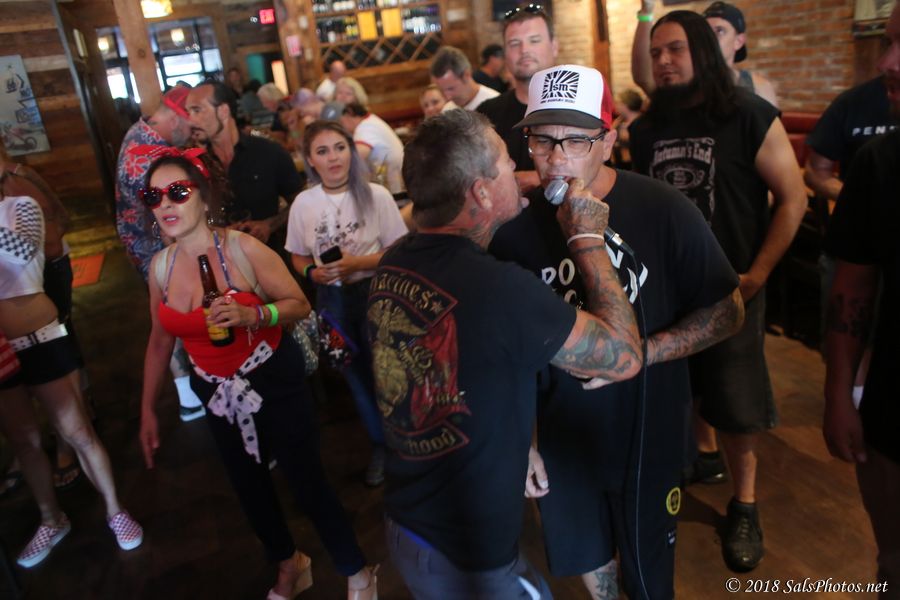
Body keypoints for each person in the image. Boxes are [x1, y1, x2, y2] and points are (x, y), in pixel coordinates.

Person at [490, 64, 743, 600]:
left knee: (649, 576)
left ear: (607, 141)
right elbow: (507, 353)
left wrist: (643, 352)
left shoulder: (662, 209)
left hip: (647, 427)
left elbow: (728, 311)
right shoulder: (513, 229)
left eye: (576, 140)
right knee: (589, 559)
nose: (557, 157)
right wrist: (523, 441)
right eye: (542, 140)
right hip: (559, 437)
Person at [368, 108, 642, 598]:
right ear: (480, 192)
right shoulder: (498, 289)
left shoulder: (396, 261)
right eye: (504, 162)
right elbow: (623, 355)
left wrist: (519, 446)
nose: (519, 168)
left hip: (410, 524)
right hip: (467, 557)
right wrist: (587, 240)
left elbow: (463, 372)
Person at [137, 149, 378, 600]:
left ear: (203, 197)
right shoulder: (161, 267)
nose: (165, 203)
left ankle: (357, 570)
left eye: (177, 192)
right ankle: (290, 564)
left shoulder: (241, 249)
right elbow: (159, 340)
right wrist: (147, 409)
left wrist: (256, 315)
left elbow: (299, 304)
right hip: (214, 390)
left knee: (306, 481)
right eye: (154, 196)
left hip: (270, 377)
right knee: (249, 488)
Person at [629, 10, 807, 572]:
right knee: (683, 388)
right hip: (669, 289)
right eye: (656, 52)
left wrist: (757, 275)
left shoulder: (749, 115)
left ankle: (745, 505)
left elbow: (794, 198)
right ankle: (701, 461)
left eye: (675, 49)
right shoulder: (647, 130)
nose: (663, 61)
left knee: (736, 400)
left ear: (703, 50)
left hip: (733, 287)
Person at [0, 189, 143, 568]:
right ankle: (52, 520)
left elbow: (23, 252)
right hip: (1, 350)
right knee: (25, 442)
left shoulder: (20, 207)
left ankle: (115, 510)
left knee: (78, 431)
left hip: (40, 338)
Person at [823, 8, 900, 597]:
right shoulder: (880, 162)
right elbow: (853, 286)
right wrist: (838, 392)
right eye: (889, 42)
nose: (887, 62)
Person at [286, 120, 407, 488]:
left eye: (340, 147)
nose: (333, 157)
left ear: (352, 152)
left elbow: (399, 252)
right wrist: (311, 273)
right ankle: (380, 446)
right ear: (310, 160)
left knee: (389, 372)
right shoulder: (304, 203)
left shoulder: (377, 195)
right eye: (322, 151)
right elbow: (297, 255)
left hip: (376, 293)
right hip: (332, 303)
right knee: (354, 377)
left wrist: (358, 263)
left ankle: (406, 445)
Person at [805, 2, 900, 407]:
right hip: (855, 242)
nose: (886, 61)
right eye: (888, 42)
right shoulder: (855, 107)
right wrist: (864, 199)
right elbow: (816, 171)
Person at [116, 85, 206, 422]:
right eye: (190, 124)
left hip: (144, 243)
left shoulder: (141, 132)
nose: (193, 132)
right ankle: (190, 398)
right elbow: (168, 222)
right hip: (156, 247)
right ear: (175, 117)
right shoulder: (148, 157)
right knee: (174, 314)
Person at [0, 150, 87, 490]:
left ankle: (67, 440)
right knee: (16, 388)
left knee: (57, 361)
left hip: (45, 271)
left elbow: (57, 221)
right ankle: (28, 449)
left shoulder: (20, 180)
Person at [187, 81, 302, 248]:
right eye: (188, 112)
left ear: (223, 111)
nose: (190, 121)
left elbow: (300, 202)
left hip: (269, 254)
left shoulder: (268, 152)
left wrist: (269, 225)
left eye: (197, 110)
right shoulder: (196, 164)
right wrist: (220, 232)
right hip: (221, 257)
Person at [632, 0, 778, 107]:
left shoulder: (757, 87)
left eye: (719, 31)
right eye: (706, 31)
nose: (710, 37)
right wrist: (646, 13)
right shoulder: (683, 84)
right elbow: (644, 78)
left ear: (739, 41)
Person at [477, 3, 558, 192]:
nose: (524, 50)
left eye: (534, 40)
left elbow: (598, 171)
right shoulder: (486, 114)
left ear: (554, 47)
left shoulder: (577, 108)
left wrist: (537, 178)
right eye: (514, 43)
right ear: (505, 54)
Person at [339, 102, 406, 194]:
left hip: (394, 181)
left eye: (342, 122)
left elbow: (358, 155)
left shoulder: (364, 127)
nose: (343, 127)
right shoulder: (371, 120)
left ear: (349, 114)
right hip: (397, 175)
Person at [430, 46, 499, 111]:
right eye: (441, 90)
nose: (448, 97)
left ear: (466, 75)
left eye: (450, 89)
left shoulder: (495, 105)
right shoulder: (447, 110)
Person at [611, 88, 644, 169]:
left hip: (633, 168)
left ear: (626, 104)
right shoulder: (619, 122)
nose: (615, 105)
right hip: (620, 167)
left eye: (618, 102)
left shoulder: (641, 124)